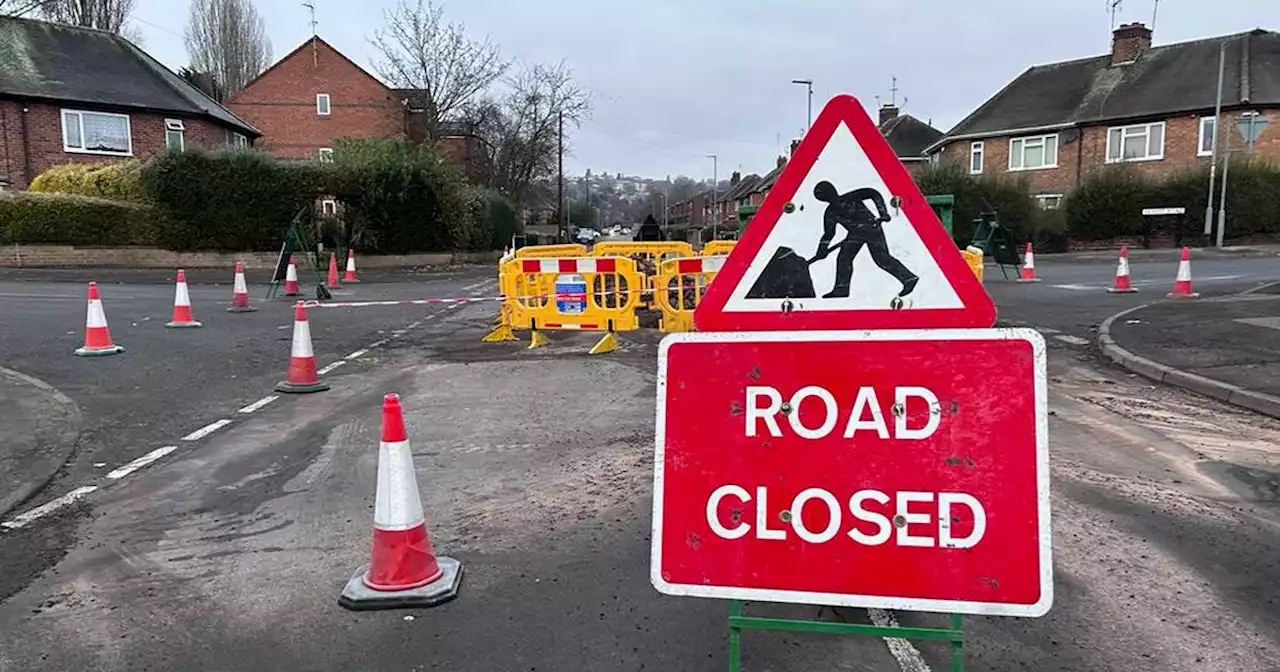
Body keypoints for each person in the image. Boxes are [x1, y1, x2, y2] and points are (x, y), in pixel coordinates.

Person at [810, 180, 918, 299]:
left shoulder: (851, 197)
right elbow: (829, 234)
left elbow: (873, 193)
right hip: (855, 234)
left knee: (881, 258)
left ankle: (908, 278)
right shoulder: (830, 212)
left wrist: (883, 213)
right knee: (844, 258)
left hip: (871, 228)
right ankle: (841, 289)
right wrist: (821, 250)